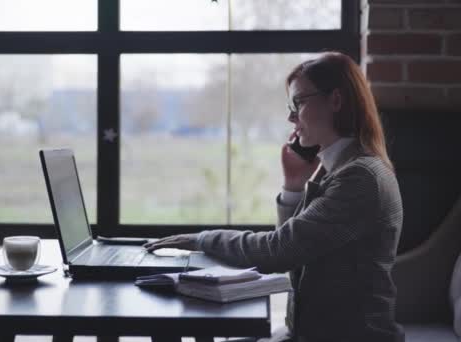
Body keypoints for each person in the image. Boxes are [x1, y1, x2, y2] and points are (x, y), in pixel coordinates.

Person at [144, 51, 404, 342]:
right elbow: (296, 248)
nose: (291, 116)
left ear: (336, 100)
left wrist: (202, 238)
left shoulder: (360, 178)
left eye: (299, 102)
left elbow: (279, 251)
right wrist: (294, 185)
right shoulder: (338, 168)